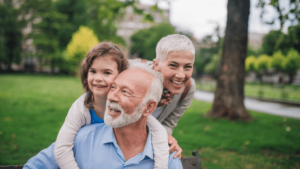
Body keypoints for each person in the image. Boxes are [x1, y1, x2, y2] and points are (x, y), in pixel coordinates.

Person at [24, 64, 183, 169]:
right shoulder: (82, 139)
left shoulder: (168, 157)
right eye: (113, 87)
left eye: (125, 91)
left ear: (148, 107)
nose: (112, 96)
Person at [54, 42, 169, 169]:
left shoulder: (133, 110)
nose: (98, 78)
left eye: (106, 73)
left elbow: (159, 132)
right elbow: (62, 147)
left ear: (121, 74)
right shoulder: (82, 106)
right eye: (93, 71)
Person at [131, 34, 196, 159]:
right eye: (173, 65)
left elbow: (168, 123)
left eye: (187, 67)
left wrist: (166, 138)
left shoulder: (188, 88)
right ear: (156, 65)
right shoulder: (133, 76)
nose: (181, 75)